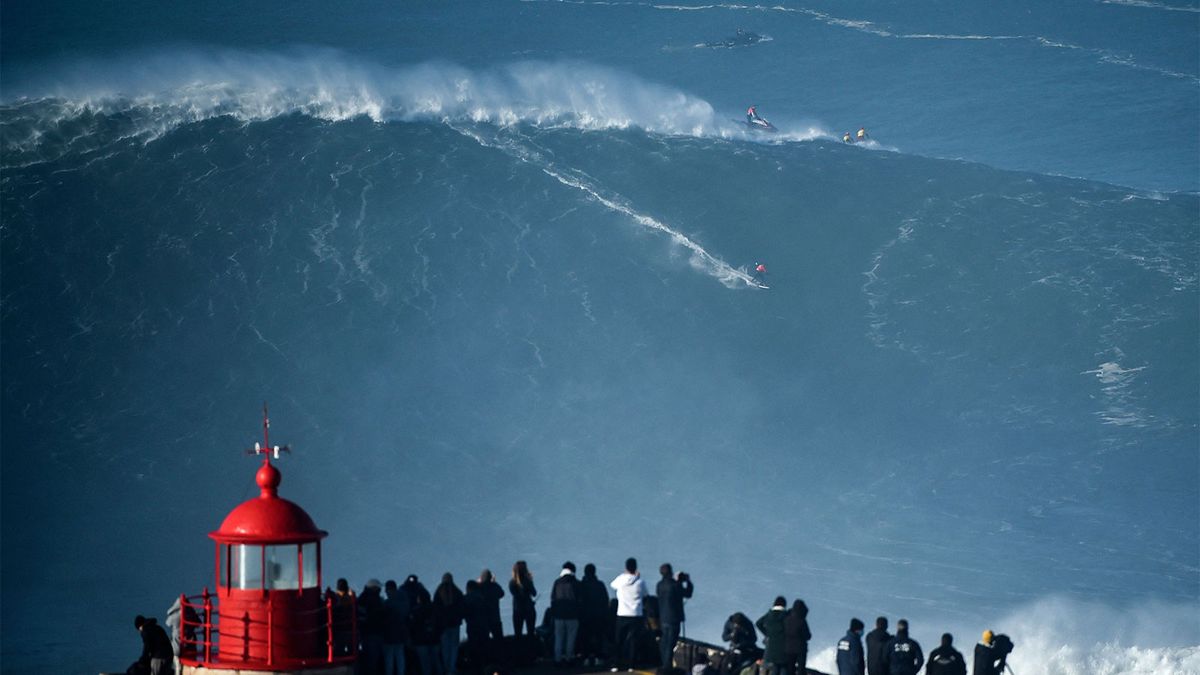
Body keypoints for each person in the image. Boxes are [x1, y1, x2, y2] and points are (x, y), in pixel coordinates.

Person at [610, 557, 649, 671]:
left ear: (626, 567)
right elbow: (646, 595)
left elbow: (612, 585)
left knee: (619, 639)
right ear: (636, 568)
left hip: (622, 613)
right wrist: (637, 577)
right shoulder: (640, 582)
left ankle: (616, 663)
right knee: (633, 640)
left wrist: (624, 575)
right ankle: (631, 664)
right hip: (636, 614)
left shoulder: (620, 579)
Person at [656, 564, 694, 673]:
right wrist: (688, 581)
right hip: (674, 619)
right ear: (671, 572)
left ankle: (664, 664)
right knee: (671, 643)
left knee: (664, 642)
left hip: (663, 617)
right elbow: (688, 593)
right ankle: (667, 667)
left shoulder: (659, 585)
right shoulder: (675, 585)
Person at [551, 561, 583, 665]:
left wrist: (554, 613)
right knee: (571, 638)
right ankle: (569, 658)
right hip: (573, 615)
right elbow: (580, 599)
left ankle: (558, 658)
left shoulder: (557, 582)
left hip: (559, 615)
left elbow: (553, 599)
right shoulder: (576, 583)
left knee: (559, 638)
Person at [434, 573, 466, 675]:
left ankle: (446, 668)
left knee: (445, 648)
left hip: (443, 625)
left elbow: (435, 609)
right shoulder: (457, 591)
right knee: (453, 647)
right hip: (454, 624)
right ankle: (451, 668)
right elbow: (462, 607)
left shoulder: (438, 592)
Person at [579, 563, 610, 667]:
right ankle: (599, 657)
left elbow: (579, 601)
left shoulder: (581, 585)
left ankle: (586, 658)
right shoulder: (600, 584)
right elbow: (605, 600)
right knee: (598, 638)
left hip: (585, 617)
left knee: (585, 638)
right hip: (598, 616)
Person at [383, 580, 412, 675]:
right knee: (400, 656)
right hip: (401, 632)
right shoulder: (404, 601)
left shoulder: (387, 604)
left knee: (389, 657)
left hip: (389, 633)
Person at [359, 579, 387, 675]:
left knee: (369, 657)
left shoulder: (362, 598)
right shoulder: (375, 600)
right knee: (373, 658)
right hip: (374, 632)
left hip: (366, 632)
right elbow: (377, 616)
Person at [755, 597, 788, 675]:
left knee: (774, 668)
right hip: (783, 646)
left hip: (771, 648)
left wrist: (768, 634)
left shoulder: (769, 614)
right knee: (784, 667)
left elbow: (758, 623)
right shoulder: (786, 615)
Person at [463, 580, 490, 674]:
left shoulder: (466, 598)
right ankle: (485, 667)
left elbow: (464, 612)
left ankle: (476, 669)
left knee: (474, 648)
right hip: (484, 626)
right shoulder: (483, 597)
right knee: (484, 648)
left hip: (472, 626)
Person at [328, 578, 357, 657]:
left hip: (339, 629)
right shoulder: (350, 598)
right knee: (352, 650)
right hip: (349, 628)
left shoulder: (335, 598)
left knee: (338, 651)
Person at [509, 561, 538, 637]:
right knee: (531, 634)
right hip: (529, 609)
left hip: (517, 610)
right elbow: (534, 593)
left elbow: (516, 595)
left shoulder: (512, 582)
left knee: (518, 634)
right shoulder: (527, 581)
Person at [784, 600, 811, 675]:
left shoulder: (787, 619)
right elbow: (808, 635)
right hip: (800, 649)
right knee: (801, 669)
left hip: (788, 648)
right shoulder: (802, 620)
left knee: (790, 668)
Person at [479, 569, 506, 641]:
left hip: (484, 618)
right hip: (495, 617)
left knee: (484, 641)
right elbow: (502, 594)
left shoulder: (480, 587)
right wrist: (494, 582)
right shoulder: (494, 586)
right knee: (499, 640)